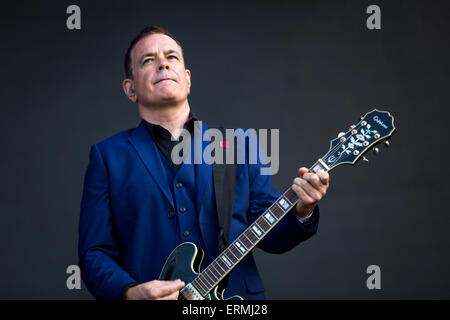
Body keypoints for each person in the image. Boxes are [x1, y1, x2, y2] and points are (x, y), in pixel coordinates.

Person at [78, 26, 330, 300]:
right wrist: (129, 293)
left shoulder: (238, 145)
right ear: (130, 88)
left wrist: (302, 209)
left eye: (172, 57)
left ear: (187, 79)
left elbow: (272, 236)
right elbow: (94, 253)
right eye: (148, 60)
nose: (163, 63)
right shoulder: (107, 157)